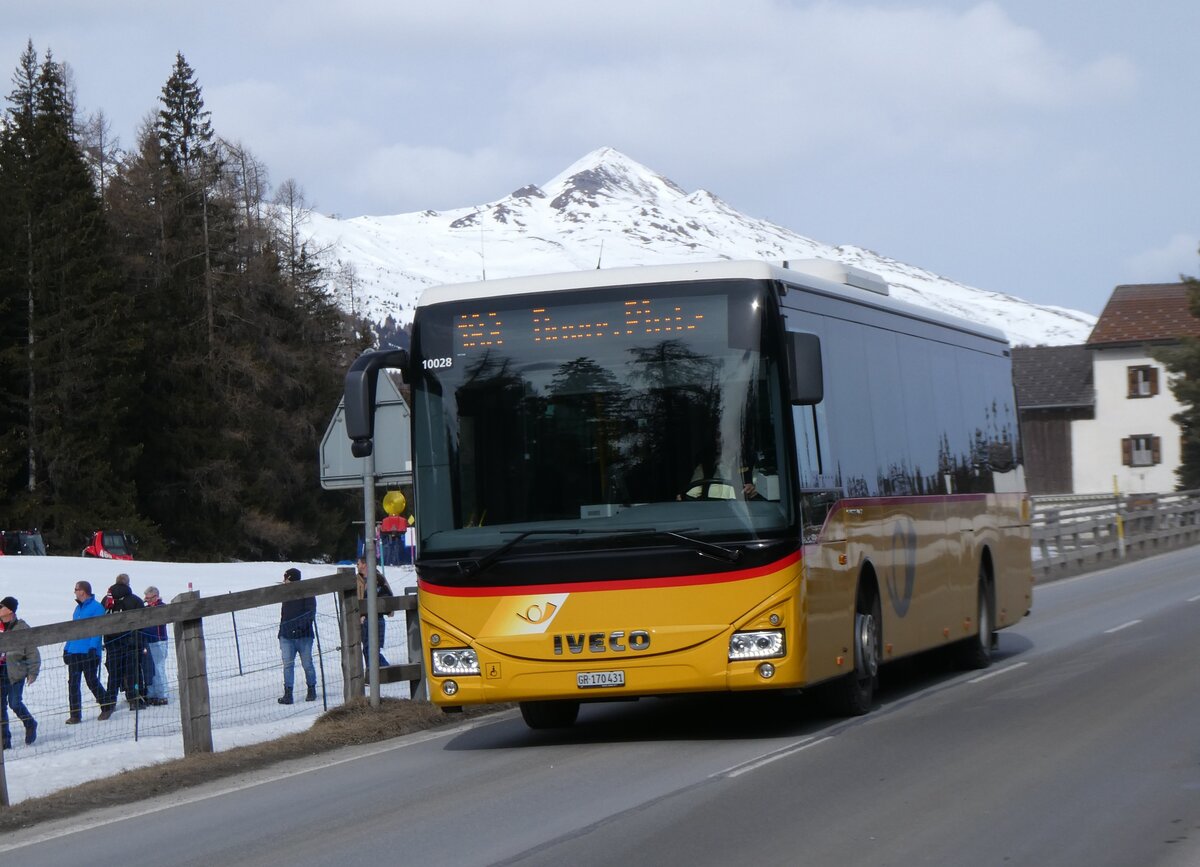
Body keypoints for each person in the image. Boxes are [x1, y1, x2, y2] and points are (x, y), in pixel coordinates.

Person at [99, 582, 145, 719]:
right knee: (132, 671)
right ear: (128, 584)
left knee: (113, 673)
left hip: (112, 643)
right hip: (131, 642)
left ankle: (110, 702)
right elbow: (142, 620)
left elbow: (100, 621)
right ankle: (134, 700)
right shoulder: (135, 600)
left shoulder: (106, 599)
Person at [64, 581, 108, 723]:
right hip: (74, 651)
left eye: (76, 589)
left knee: (91, 680)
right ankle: (75, 714)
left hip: (88, 651)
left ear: (83, 591)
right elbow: (73, 629)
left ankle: (106, 705)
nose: (75, 592)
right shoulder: (78, 609)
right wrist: (67, 648)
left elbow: (97, 630)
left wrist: (92, 647)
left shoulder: (97, 608)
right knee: (73, 683)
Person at [0, 596, 40, 747]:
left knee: (14, 703)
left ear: (9, 610)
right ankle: (4, 741)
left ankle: (30, 723)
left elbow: (32, 651)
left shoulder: (21, 627)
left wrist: (33, 672)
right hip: (1, 670)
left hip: (16, 671)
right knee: (0, 707)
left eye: (1, 606)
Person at [278, 568, 317, 704]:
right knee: (287, 665)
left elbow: (310, 614)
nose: (284, 581)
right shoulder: (285, 593)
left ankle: (311, 688)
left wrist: (298, 628)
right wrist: (282, 632)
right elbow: (284, 614)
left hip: (304, 636)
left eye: (286, 578)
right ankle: (288, 693)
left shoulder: (307, 593)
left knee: (307, 664)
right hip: (286, 636)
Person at [355, 558, 394, 670]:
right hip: (363, 619)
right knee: (367, 648)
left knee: (371, 649)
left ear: (364, 565)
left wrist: (388, 609)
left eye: (358, 564)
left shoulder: (379, 578)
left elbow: (388, 595)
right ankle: (374, 673)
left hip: (376, 618)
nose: (357, 566)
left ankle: (383, 671)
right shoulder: (357, 579)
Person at [140, 585, 169, 706]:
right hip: (148, 641)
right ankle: (151, 694)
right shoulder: (146, 609)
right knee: (149, 669)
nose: (147, 601)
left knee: (158, 667)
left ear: (156, 597)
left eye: (149, 598)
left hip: (158, 641)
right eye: (146, 598)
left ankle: (162, 694)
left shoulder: (160, 607)